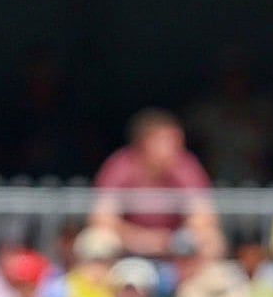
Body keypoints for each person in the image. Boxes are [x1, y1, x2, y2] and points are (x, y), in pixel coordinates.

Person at [90, 107, 223, 259]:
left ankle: (199, 282)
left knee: (211, 239)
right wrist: (141, 238)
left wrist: (175, 238)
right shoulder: (121, 165)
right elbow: (102, 218)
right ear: (145, 141)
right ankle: (101, 281)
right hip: (128, 243)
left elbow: (204, 216)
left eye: (177, 140)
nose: (176, 146)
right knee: (99, 237)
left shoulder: (185, 165)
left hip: (174, 245)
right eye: (166, 140)